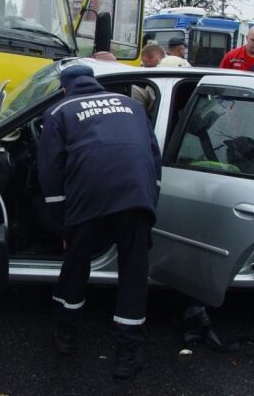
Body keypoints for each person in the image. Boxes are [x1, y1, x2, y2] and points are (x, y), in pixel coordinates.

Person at [38, 64, 162, 379]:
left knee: (76, 265)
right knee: (133, 273)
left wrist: (60, 222)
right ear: (94, 82)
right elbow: (153, 156)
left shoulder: (59, 110)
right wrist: (150, 202)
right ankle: (127, 355)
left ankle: (65, 337)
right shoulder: (133, 106)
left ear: (65, 88)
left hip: (88, 195)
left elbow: (50, 170)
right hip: (136, 195)